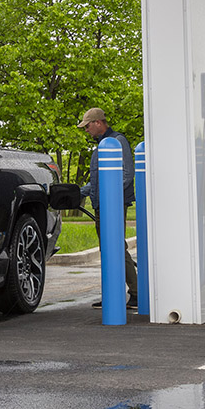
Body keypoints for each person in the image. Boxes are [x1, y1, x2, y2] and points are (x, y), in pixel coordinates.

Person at [77, 107, 138, 309]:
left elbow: (127, 175)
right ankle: (114, 294)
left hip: (113, 203)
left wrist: (108, 195)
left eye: (87, 126)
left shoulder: (116, 142)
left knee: (116, 247)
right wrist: (79, 192)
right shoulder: (102, 145)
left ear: (98, 123)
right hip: (103, 203)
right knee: (109, 249)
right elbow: (98, 179)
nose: (86, 130)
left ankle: (135, 293)